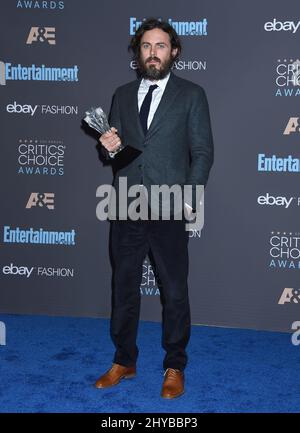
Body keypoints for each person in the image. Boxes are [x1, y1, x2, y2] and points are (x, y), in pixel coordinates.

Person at [95, 17, 213, 399]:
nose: (153, 53)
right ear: (138, 52)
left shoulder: (192, 94)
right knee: (124, 287)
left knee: (174, 290)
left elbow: (202, 152)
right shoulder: (122, 95)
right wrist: (110, 146)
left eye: (161, 46)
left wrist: (190, 199)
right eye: (146, 46)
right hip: (126, 204)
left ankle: (174, 364)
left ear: (174, 52)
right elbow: (117, 154)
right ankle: (124, 359)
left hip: (169, 207)